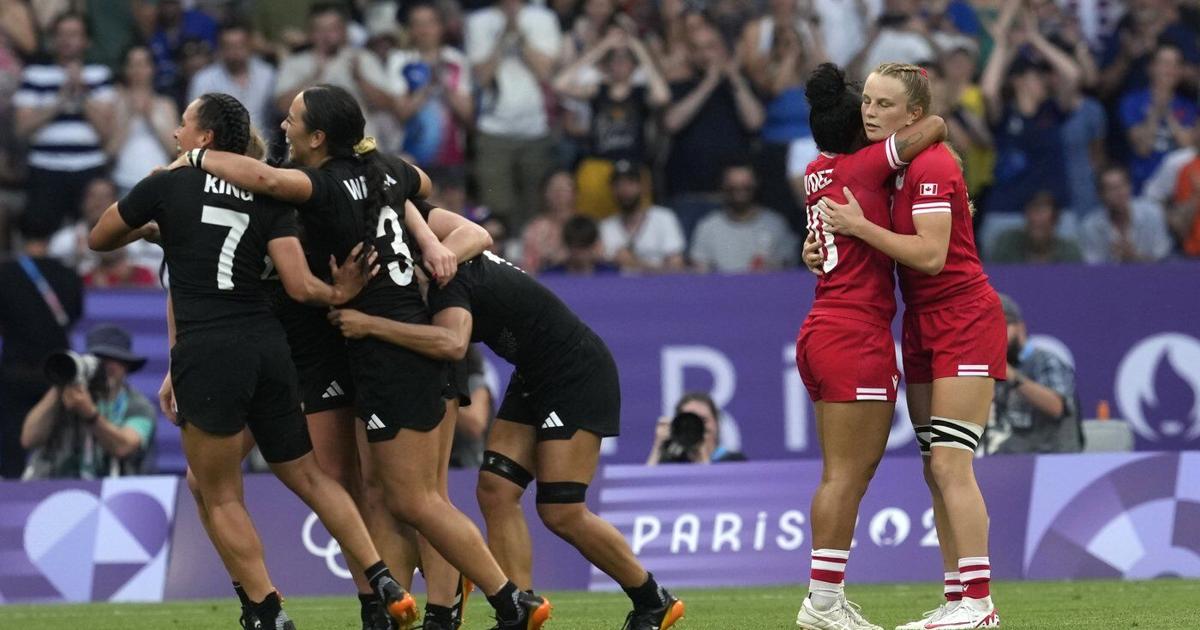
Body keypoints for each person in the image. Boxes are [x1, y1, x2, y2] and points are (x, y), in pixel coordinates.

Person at [172, 85, 551, 630]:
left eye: (294, 119)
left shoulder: (310, 188)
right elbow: (414, 183)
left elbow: (463, 226)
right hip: (347, 347)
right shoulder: (376, 175)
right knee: (393, 494)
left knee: (403, 496)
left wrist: (434, 249)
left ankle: (464, 602)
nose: (284, 126)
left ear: (318, 137)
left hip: (373, 346)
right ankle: (397, 603)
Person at [89, 91, 417, 630]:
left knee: (220, 492)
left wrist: (153, 205)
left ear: (206, 140)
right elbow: (300, 283)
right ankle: (379, 579)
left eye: (183, 124)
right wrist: (339, 293)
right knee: (309, 477)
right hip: (271, 347)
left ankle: (269, 609)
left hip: (223, 350)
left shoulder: (171, 186)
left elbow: (101, 238)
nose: (175, 134)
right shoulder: (270, 197)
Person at [327, 237, 686, 630]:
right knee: (495, 490)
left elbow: (453, 343)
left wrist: (370, 325)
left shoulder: (448, 281)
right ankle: (519, 610)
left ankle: (653, 600)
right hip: (533, 375)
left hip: (575, 373)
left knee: (562, 510)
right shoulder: (446, 258)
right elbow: (474, 233)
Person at [814, 63, 1006, 630]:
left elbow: (931, 256)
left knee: (951, 462)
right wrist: (821, 246)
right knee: (934, 466)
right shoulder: (889, 167)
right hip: (922, 322)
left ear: (913, 115)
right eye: (867, 102)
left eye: (884, 104)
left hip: (964, 317)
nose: (870, 113)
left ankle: (979, 604)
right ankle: (957, 598)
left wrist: (858, 227)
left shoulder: (930, 163)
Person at [793, 62, 946, 630]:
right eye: (867, 108)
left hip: (822, 328)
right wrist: (897, 115)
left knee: (840, 472)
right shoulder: (864, 165)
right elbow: (934, 127)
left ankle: (826, 599)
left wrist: (810, 250)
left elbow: (821, 240)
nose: (874, 115)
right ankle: (823, 604)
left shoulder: (816, 170)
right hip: (855, 333)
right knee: (846, 476)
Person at [552, 25, 670, 220]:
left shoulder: (640, 93)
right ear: (607, 65)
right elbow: (559, 84)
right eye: (614, 60)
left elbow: (663, 97)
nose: (620, 65)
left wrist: (639, 49)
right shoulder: (597, 90)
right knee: (591, 222)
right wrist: (603, 46)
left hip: (634, 170)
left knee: (637, 222)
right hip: (598, 168)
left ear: (634, 66)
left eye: (625, 60)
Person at [13, 12, 115, 236]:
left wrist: (81, 91)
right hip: (45, 168)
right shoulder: (35, 75)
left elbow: (106, 131)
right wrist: (60, 98)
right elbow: (22, 128)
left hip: (88, 168)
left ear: (86, 41)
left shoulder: (99, 75)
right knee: (39, 235)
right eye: (61, 34)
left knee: (94, 236)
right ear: (53, 40)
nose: (67, 40)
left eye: (74, 34)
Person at [465, 0, 562, 228]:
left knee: (535, 207)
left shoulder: (544, 18)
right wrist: (502, 38)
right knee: (497, 208)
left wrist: (518, 34)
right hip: (493, 129)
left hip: (535, 128)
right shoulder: (477, 21)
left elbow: (545, 72)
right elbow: (482, 78)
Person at [0, 223, 84, 478]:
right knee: (60, 442)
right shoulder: (69, 274)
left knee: (13, 445)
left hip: (16, 371)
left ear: (20, 235)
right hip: (57, 373)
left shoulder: (5, 273)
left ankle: (12, 492)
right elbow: (75, 314)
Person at [20, 324, 156, 479]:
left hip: (113, 487)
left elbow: (124, 447)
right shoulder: (65, 395)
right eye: (99, 359)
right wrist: (60, 383)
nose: (105, 366)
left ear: (127, 366)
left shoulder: (139, 406)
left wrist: (90, 414)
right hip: (55, 484)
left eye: (114, 360)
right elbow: (28, 439)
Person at [987, 294, 1082, 455]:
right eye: (989, 330)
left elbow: (1056, 407)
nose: (997, 335)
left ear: (1020, 327)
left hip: (1051, 459)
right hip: (1007, 459)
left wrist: (1013, 377)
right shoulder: (989, 366)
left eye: (1002, 326)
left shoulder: (1046, 360)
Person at [387, 1, 474, 170]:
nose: (424, 30)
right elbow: (401, 113)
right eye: (418, 24)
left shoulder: (456, 61)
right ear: (410, 29)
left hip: (451, 156)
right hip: (411, 156)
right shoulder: (400, 61)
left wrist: (445, 84)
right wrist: (426, 85)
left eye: (430, 23)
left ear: (441, 27)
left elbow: (468, 116)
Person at [689, 164, 798, 273]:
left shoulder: (775, 224)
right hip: (720, 284)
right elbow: (699, 269)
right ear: (723, 187)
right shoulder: (708, 227)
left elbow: (789, 264)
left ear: (756, 185)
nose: (739, 191)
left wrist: (773, 266)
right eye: (733, 187)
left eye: (746, 187)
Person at [108, 45, 179, 197]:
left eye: (142, 64)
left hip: (159, 181)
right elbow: (111, 150)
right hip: (124, 179)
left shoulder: (166, 104)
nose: (137, 70)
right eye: (132, 65)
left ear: (152, 69)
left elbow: (174, 149)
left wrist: (150, 116)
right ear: (125, 69)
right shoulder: (115, 102)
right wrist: (130, 114)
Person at [187, 20, 277, 132]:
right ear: (220, 48)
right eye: (229, 47)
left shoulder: (268, 74)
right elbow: (195, 122)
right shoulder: (203, 80)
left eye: (240, 46)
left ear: (250, 45)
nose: (235, 52)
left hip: (264, 140)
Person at [599, 160, 686, 273]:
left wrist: (634, 263)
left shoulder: (664, 218)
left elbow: (676, 267)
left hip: (661, 283)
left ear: (642, 187)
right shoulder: (606, 226)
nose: (624, 189)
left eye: (630, 183)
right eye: (618, 185)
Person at [1079, 165, 1172, 263]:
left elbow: (1163, 260)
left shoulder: (1152, 213)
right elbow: (1092, 267)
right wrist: (1114, 259)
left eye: (1121, 186)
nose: (1118, 193)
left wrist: (1134, 257)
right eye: (1111, 189)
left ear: (1130, 187)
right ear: (1100, 195)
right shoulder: (1090, 226)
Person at [646, 392, 745, 465]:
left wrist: (703, 457)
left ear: (717, 423)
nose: (698, 426)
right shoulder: (672, 462)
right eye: (690, 421)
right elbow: (648, 484)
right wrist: (658, 447)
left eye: (704, 420)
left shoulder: (735, 462)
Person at [987, 192, 1083, 263]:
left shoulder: (1069, 252)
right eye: (1033, 225)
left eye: (1042, 227)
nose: (1037, 233)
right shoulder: (1007, 245)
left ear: (1054, 222)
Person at [542, 216, 619, 275]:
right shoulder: (550, 276)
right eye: (576, 247)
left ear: (595, 245)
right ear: (567, 245)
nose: (581, 253)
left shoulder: (610, 274)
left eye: (585, 246)